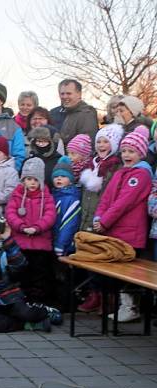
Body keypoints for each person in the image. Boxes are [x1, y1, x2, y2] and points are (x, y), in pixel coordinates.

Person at [93, 126, 153, 321]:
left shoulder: (141, 175)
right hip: (114, 230)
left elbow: (124, 202)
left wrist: (105, 221)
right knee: (116, 272)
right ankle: (121, 305)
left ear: (141, 154)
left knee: (128, 271)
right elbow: (107, 197)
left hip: (130, 232)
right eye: (125, 151)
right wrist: (98, 218)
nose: (127, 155)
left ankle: (130, 306)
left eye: (132, 151)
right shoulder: (120, 173)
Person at [0, 216, 59, 333]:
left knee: (27, 313)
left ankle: (46, 312)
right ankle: (28, 325)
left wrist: (8, 239)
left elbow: (21, 264)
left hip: (8, 296)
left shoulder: (7, 248)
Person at [75, 124, 124, 313]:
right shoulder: (90, 164)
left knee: (103, 257)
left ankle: (107, 297)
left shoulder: (114, 166)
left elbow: (111, 196)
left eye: (106, 141)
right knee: (90, 256)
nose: (101, 145)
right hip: (87, 216)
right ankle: (94, 294)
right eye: (99, 142)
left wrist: (103, 217)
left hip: (103, 218)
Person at [5, 158, 57, 305]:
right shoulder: (16, 195)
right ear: (23, 180)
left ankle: (38, 303)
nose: (32, 183)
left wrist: (37, 227)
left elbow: (50, 215)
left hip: (40, 245)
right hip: (20, 244)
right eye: (28, 179)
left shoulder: (47, 197)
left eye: (35, 179)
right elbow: (10, 213)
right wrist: (21, 226)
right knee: (21, 275)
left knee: (39, 276)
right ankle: (21, 302)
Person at [51, 158, 81, 312]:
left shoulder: (71, 198)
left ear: (70, 179)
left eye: (62, 176)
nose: (59, 179)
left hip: (64, 246)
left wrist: (60, 245)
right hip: (54, 242)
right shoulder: (54, 196)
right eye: (56, 176)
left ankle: (67, 304)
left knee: (64, 276)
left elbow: (69, 224)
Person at [51, 79, 98, 145]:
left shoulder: (86, 114)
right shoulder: (54, 113)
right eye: (62, 94)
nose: (65, 97)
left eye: (69, 93)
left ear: (79, 94)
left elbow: (86, 144)